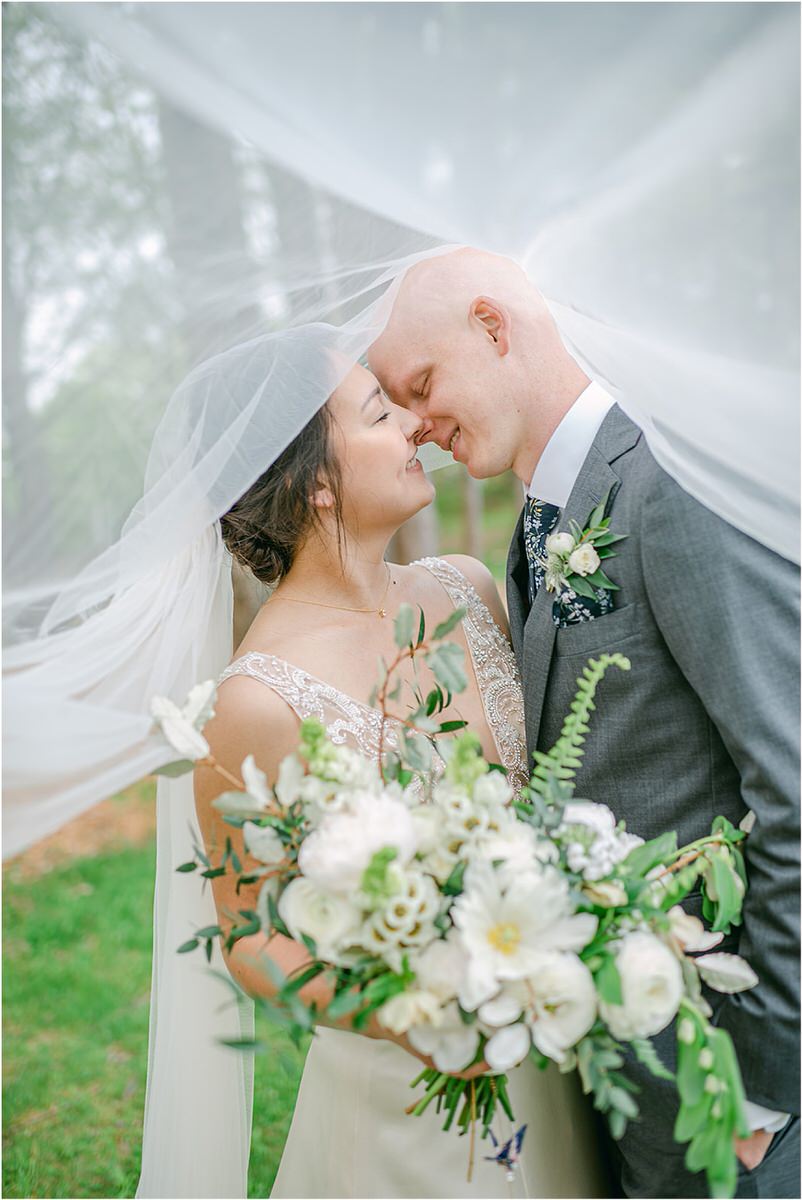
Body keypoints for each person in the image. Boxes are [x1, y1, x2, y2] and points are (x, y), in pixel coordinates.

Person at [367, 247, 801, 1198]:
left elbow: (795, 788)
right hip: (632, 1071)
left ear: (493, 327)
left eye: (422, 385)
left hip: (734, 1090)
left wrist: (764, 1091)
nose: (417, 426)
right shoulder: (543, 518)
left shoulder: (669, 482)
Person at [194, 361, 607, 1199]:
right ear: (314, 483)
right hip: (408, 1105)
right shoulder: (255, 700)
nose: (415, 424)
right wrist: (409, 1017)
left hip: (556, 1039)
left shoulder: (470, 587)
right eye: (380, 414)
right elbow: (250, 939)